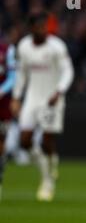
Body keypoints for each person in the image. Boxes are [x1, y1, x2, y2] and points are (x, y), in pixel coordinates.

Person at [11, 12, 74, 202]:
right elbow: (21, 74)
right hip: (32, 98)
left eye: (45, 26)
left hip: (52, 99)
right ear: (31, 29)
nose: (43, 30)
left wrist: (59, 91)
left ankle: (47, 182)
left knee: (46, 140)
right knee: (24, 141)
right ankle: (47, 163)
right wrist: (16, 97)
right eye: (39, 27)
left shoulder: (56, 46)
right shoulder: (24, 46)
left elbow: (68, 71)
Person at [0, 33, 17, 200]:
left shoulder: (8, 50)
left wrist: (2, 91)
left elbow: (13, 76)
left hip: (2, 105)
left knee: (1, 142)